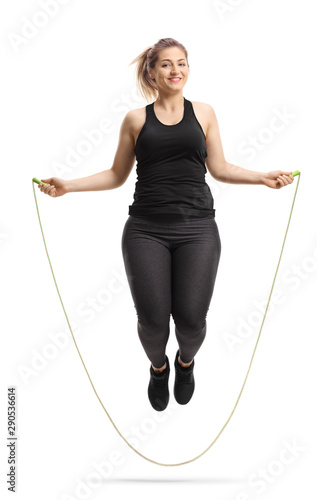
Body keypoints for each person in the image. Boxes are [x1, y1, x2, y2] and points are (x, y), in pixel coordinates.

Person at [38, 37, 294, 412]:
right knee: (154, 325)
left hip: (198, 229)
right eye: (166, 64)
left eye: (182, 63)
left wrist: (263, 177)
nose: (176, 70)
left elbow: (220, 168)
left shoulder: (204, 113)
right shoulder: (136, 119)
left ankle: (184, 363)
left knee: (191, 323)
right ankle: (159, 368)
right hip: (145, 230)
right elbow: (116, 174)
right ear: (152, 73)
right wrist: (68, 187)